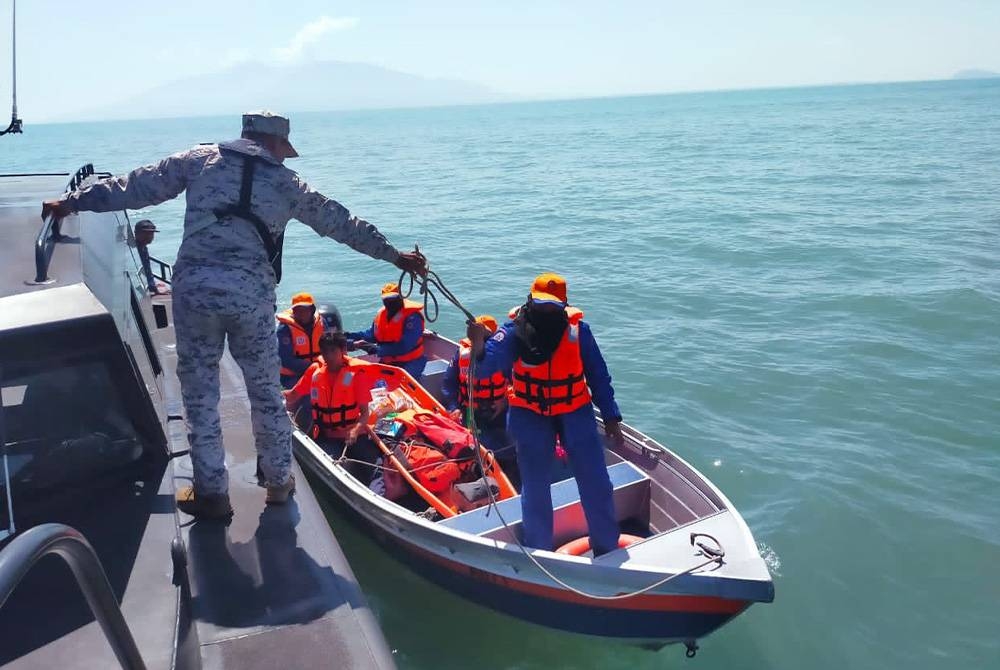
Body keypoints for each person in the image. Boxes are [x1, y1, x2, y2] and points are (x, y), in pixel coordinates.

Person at [41, 110, 427, 519]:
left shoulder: (198, 160)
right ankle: (278, 483)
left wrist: (71, 203)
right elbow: (342, 223)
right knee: (264, 392)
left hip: (195, 294)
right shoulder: (286, 183)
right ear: (275, 144)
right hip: (251, 296)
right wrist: (395, 256)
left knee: (201, 392)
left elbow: (135, 186)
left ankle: (212, 494)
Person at [467, 273, 626, 555]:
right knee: (535, 486)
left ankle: (607, 546)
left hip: (575, 412)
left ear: (564, 304)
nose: (546, 310)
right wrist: (479, 344)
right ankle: (538, 550)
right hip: (530, 414)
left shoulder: (579, 331)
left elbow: (599, 376)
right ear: (530, 300)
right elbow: (488, 366)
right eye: (541, 304)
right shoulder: (514, 331)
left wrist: (611, 417)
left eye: (552, 306)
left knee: (596, 482)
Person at [283, 331, 381, 483]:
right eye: (325, 352)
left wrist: (355, 431)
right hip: (327, 438)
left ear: (343, 351)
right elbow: (293, 395)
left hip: (355, 437)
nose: (329, 356)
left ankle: (379, 497)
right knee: (333, 472)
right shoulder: (315, 371)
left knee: (377, 469)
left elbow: (364, 414)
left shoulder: (356, 375)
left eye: (333, 351)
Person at [440, 315, 515, 474]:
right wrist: (454, 408)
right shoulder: (461, 354)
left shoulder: (502, 356)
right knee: (468, 448)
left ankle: (509, 466)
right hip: (470, 413)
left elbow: (517, 384)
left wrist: (505, 401)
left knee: (511, 444)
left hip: (498, 410)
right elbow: (449, 384)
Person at [346, 282, 427, 380]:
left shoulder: (412, 317)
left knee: (405, 386)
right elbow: (371, 335)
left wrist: (376, 349)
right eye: (386, 299)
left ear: (400, 297)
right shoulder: (382, 315)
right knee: (374, 382)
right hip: (388, 361)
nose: (390, 301)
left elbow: (405, 346)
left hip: (411, 361)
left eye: (393, 298)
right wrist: (350, 336)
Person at [276, 292, 324, 389]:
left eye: (304, 310)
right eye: (297, 310)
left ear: (312, 309)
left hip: (318, 370)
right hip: (292, 375)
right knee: (307, 396)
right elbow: (286, 360)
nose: (300, 314)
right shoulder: (285, 329)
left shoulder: (321, 323)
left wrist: (352, 344)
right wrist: (313, 368)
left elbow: (333, 342)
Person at [134, 219, 163, 294]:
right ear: (136, 234)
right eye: (146, 233)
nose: (150, 236)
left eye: (151, 233)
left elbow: (147, 270)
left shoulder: (143, 248)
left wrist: (154, 288)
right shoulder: (134, 250)